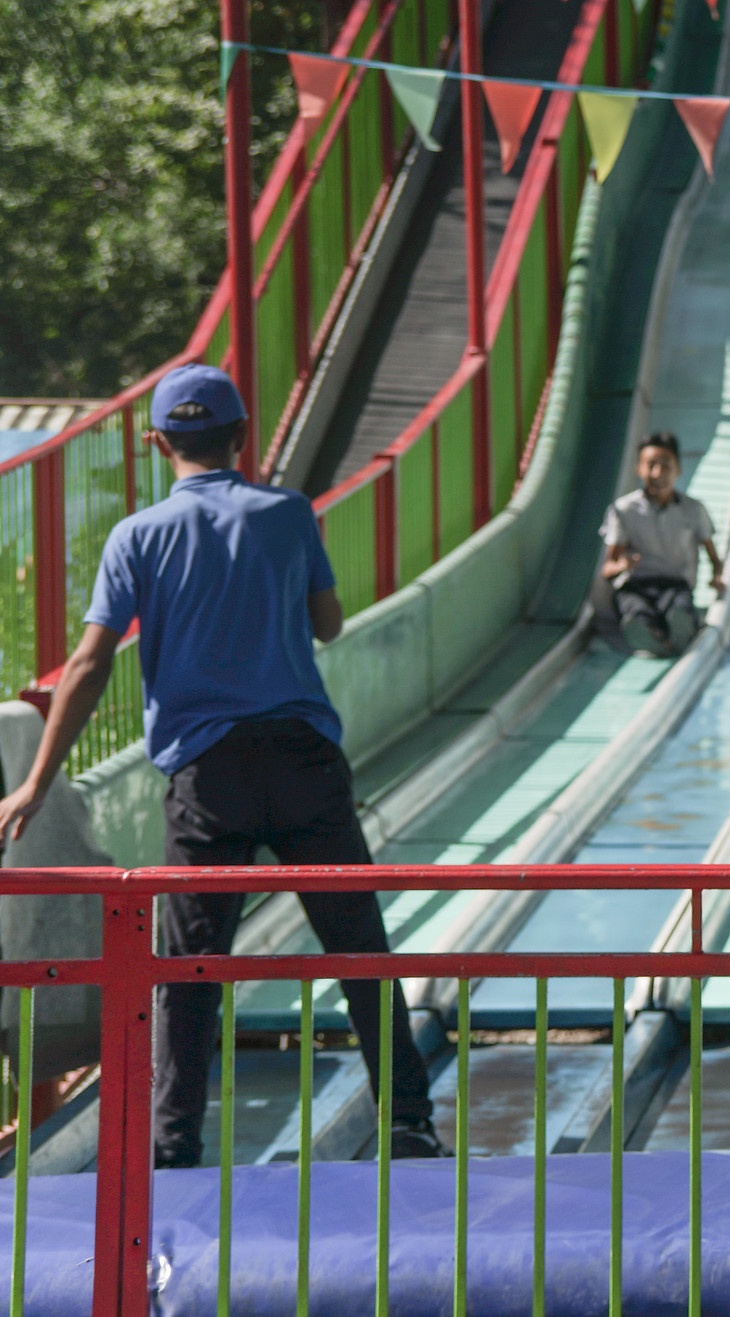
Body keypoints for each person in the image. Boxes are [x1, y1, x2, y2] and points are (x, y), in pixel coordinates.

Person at [0, 364, 445, 1167]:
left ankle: (173, 1145)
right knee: (360, 947)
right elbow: (330, 623)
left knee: (190, 968)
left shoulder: (136, 536)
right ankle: (409, 1121)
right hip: (305, 760)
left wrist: (34, 782)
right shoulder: (287, 514)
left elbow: (91, 663)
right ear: (242, 436)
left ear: (157, 441)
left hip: (208, 777)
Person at [600, 431, 724, 657]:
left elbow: (713, 556)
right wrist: (621, 566)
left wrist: (716, 577)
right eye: (650, 465)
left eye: (665, 466)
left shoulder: (693, 510)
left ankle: (678, 628)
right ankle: (647, 633)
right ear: (639, 468)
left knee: (678, 605)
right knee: (634, 608)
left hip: (674, 584)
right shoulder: (624, 510)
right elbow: (608, 568)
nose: (657, 473)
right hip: (635, 584)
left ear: (678, 469)